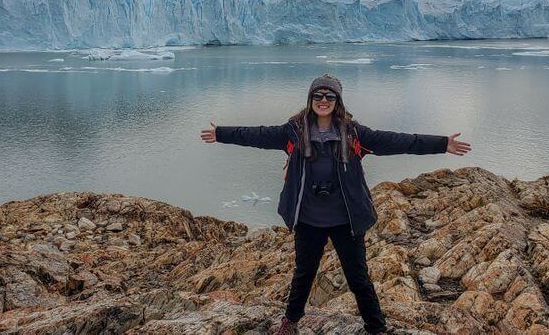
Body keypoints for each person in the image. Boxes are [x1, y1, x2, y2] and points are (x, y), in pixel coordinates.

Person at [200, 74, 471, 334]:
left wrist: (442, 144)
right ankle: (291, 322)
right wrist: (221, 133)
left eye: (329, 95)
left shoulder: (354, 133)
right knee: (303, 274)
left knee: (358, 279)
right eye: (318, 94)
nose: (323, 99)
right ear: (310, 99)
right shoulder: (293, 132)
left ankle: (376, 329)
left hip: (346, 220)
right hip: (308, 218)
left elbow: (397, 141)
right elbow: (256, 135)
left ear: (337, 101)